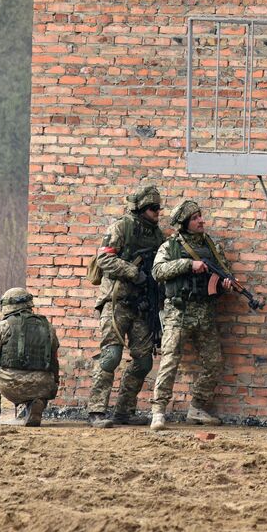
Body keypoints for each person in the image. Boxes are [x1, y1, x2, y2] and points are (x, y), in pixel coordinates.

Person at [149, 199, 238, 431]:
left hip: (205, 313)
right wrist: (188, 265)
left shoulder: (211, 246)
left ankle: (197, 407)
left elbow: (224, 272)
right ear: (185, 223)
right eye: (195, 218)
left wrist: (226, 283)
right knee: (170, 361)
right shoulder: (171, 246)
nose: (201, 220)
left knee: (214, 362)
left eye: (201, 216)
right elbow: (157, 271)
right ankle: (158, 411)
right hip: (178, 313)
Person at [86, 183, 168, 428]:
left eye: (159, 207)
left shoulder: (157, 235)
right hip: (116, 301)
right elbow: (104, 259)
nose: (157, 212)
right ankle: (97, 411)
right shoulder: (121, 227)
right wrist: (133, 272)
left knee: (144, 361)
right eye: (153, 207)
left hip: (142, 306)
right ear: (141, 208)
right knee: (111, 356)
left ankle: (124, 411)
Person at [0, 288, 59, 427]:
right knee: (43, 379)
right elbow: (54, 361)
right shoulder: (48, 327)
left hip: (12, 384)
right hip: (44, 386)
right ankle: (35, 405)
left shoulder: (0, 327)